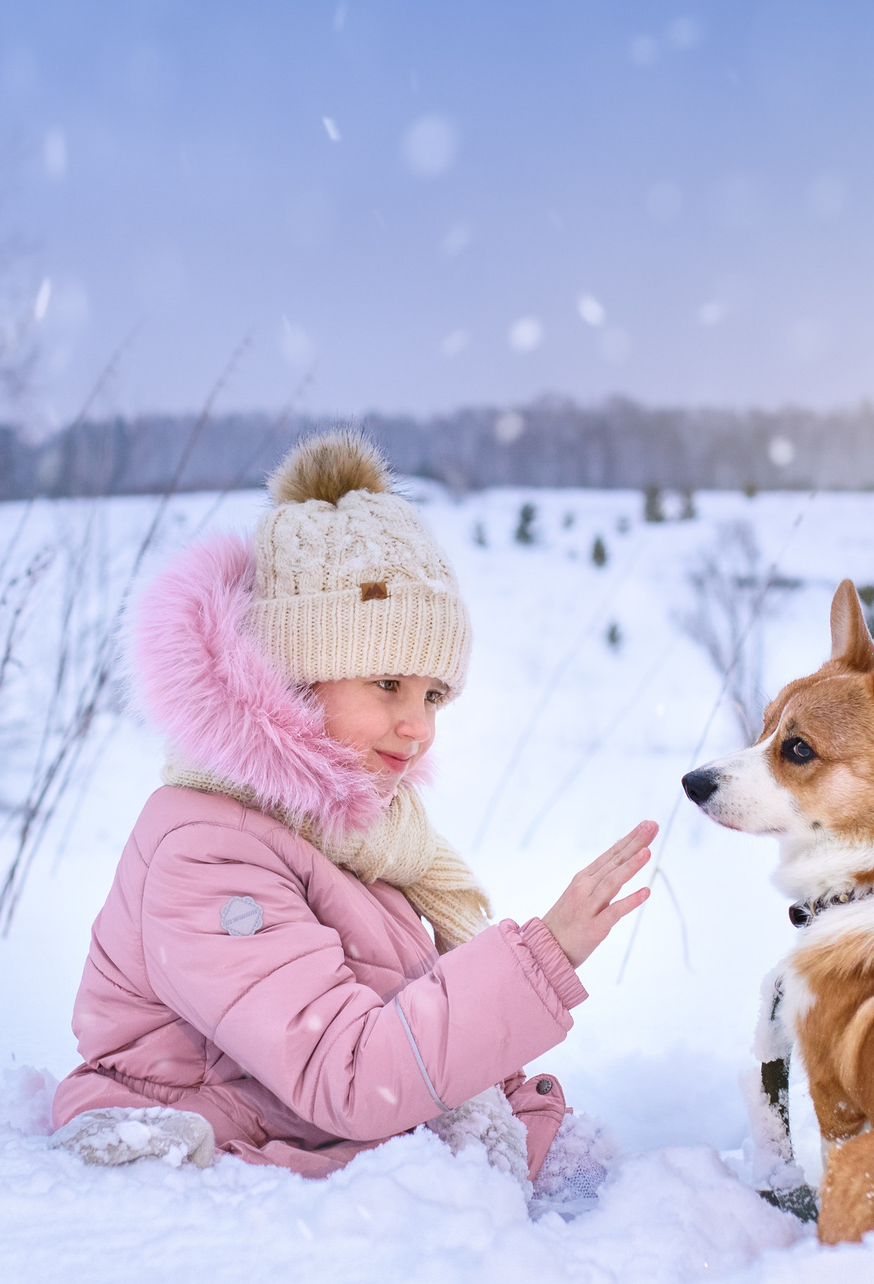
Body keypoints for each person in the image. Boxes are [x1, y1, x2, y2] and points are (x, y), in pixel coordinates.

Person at [48, 429, 654, 1186]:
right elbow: (351, 1074)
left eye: (434, 694)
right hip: (227, 1164)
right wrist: (544, 957)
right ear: (296, 672)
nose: (420, 725)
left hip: (312, 1136)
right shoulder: (208, 851)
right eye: (387, 685)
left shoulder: (361, 835)